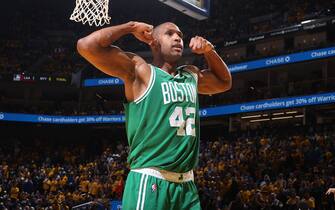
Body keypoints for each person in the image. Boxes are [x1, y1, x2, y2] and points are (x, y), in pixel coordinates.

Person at [77, 21, 232, 210]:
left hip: (187, 187)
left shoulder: (190, 75)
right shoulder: (141, 71)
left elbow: (225, 82)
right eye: (169, 34)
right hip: (150, 179)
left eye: (180, 35)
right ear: (153, 42)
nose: (177, 38)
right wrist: (131, 27)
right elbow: (86, 46)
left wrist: (209, 51)